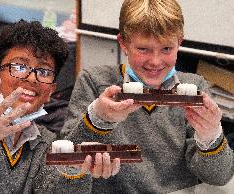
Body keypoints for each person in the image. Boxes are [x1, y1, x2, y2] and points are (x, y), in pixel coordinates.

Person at [61, 0, 234, 193]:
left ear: (179, 43)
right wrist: (97, 118)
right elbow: (65, 163)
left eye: (166, 49)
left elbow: (220, 177)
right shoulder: (94, 81)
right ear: (124, 44)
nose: (155, 61)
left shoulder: (195, 88)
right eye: (143, 49)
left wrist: (211, 136)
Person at [0, 20, 119, 193]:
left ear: (50, 91)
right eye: (19, 66)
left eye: (44, 72)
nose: (32, 78)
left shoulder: (46, 144)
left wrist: (75, 170)